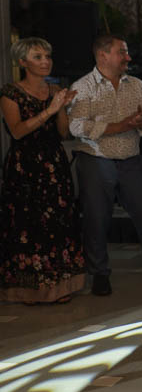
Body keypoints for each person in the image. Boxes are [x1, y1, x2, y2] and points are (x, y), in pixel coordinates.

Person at [68, 35, 142, 296]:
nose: (128, 58)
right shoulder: (83, 87)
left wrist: (141, 123)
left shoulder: (137, 85)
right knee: (96, 219)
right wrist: (117, 127)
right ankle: (99, 274)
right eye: (122, 52)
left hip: (130, 159)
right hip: (96, 160)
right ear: (103, 56)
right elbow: (75, 126)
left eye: (127, 52)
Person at [0, 38, 85, 303]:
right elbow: (17, 130)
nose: (45, 61)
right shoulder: (10, 93)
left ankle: (58, 288)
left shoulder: (54, 89)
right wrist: (49, 110)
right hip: (25, 166)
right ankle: (29, 289)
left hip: (53, 164)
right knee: (28, 225)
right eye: (38, 57)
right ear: (22, 62)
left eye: (47, 56)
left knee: (58, 223)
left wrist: (62, 109)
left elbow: (62, 132)